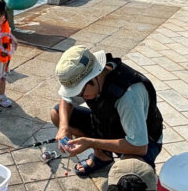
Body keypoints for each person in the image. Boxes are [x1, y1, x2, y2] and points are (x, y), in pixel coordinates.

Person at [50, 45, 164, 177]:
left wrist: (90, 142)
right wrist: (63, 127)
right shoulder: (95, 78)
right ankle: (102, 156)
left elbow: (139, 146)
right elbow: (66, 99)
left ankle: (142, 174)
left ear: (94, 76)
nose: (79, 95)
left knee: (132, 173)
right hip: (109, 125)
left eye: (80, 90)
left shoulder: (128, 95)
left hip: (144, 140)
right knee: (57, 114)